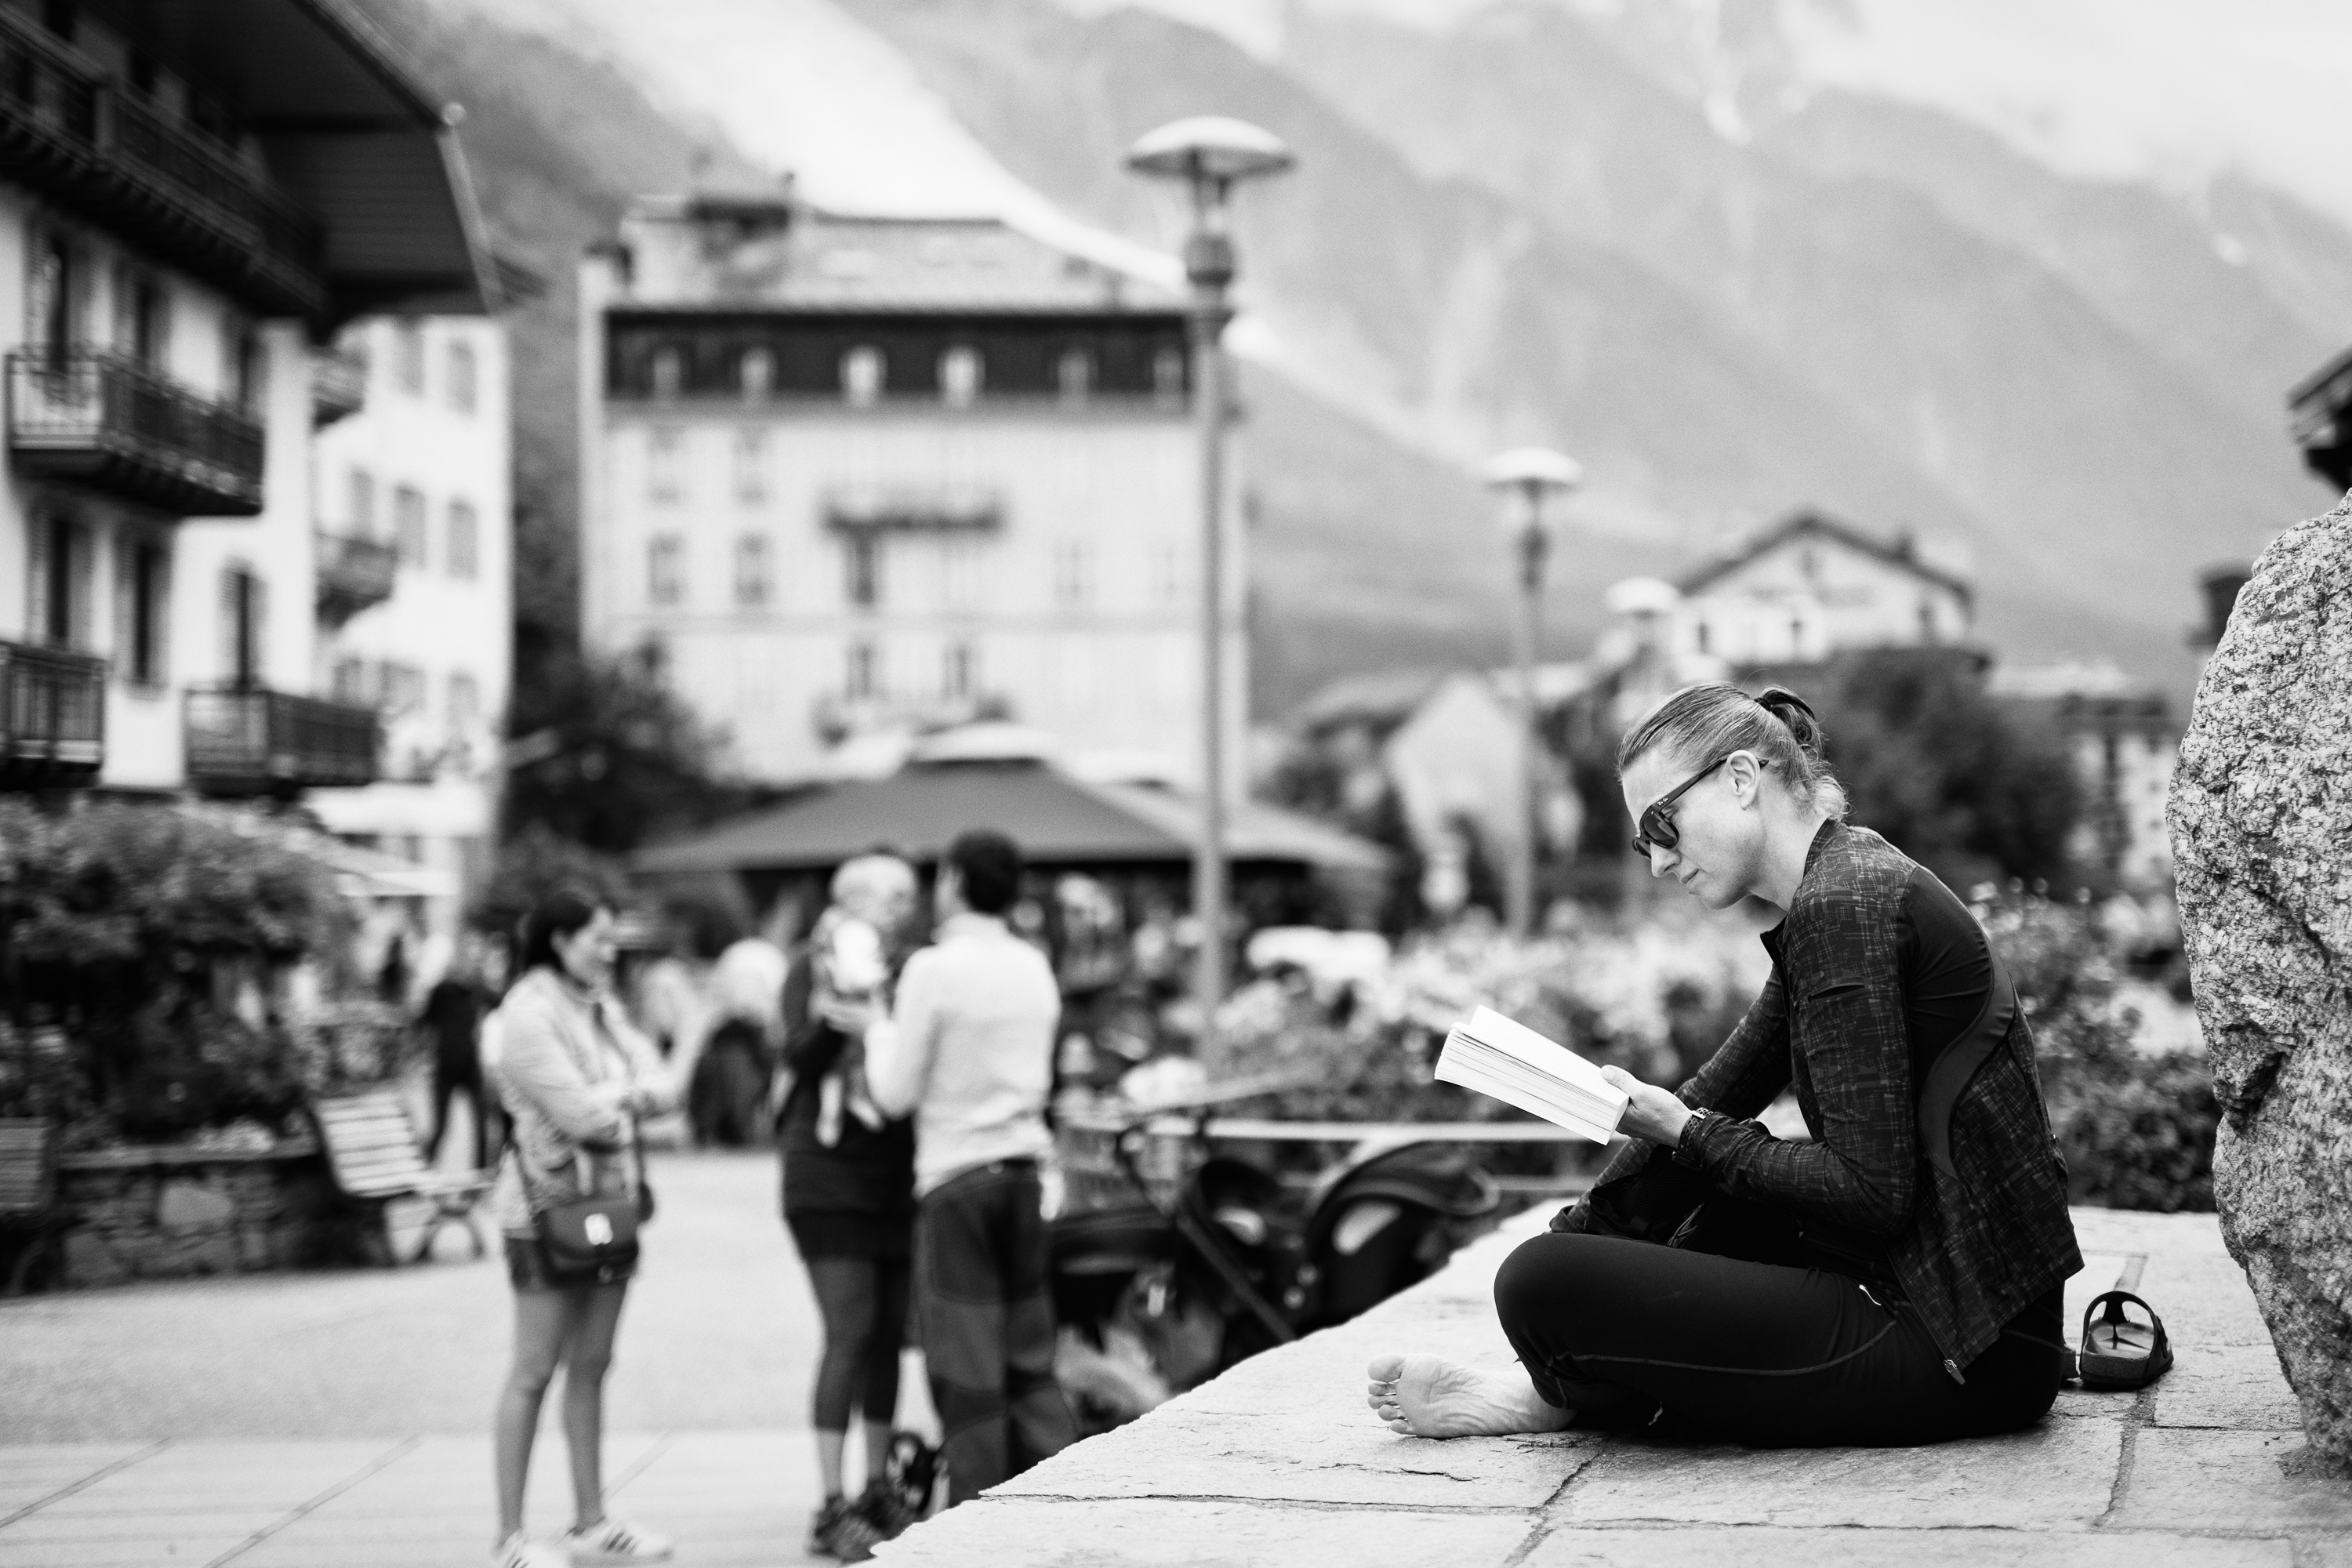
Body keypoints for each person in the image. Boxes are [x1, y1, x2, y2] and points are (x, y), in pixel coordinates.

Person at [1367, 683, 2083, 1449]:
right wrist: (1594, 1224)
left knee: (1538, 1280)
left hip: (1958, 1345)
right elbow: (1714, 1093)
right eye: (1647, 843)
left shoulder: (1847, 905)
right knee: (1647, 1216)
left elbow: (1871, 1189)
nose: (1659, 861)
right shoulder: (1843, 881)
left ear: (1741, 780)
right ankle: (1562, 1379)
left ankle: (1565, 1389)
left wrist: (1680, 1140)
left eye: (1662, 825)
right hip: (1938, 1298)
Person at [865, 830, 1076, 1505]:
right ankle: (1063, 1499)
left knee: (967, 1367)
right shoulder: (1033, 964)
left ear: (952, 879)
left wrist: (873, 1028)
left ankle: (978, 1529)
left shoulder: (934, 967)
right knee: (1030, 1359)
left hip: (956, 1177)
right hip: (1025, 1175)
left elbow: (894, 1093)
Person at [486, 891, 678, 1568]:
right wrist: (626, 1096)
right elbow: (584, 1121)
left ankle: (591, 1520)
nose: (610, 950)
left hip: (608, 1207)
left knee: (593, 1364)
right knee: (535, 1370)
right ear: (559, 941)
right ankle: (510, 1538)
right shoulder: (525, 1018)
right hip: (541, 1212)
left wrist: (617, 1096)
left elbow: (667, 1083)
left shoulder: (602, 1008)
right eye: (599, 938)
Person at [779, 855, 922, 1561]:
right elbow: (797, 1062)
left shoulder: (915, 974)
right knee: (851, 1332)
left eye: (910, 894)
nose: (906, 905)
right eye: (893, 895)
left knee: (889, 1336)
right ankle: (830, 1504)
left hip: (898, 1179)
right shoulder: (810, 966)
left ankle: (876, 1488)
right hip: (828, 1177)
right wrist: (844, 1024)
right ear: (852, 900)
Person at [423, 931, 507, 1170]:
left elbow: (504, 1002)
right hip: (446, 1065)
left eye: (475, 959)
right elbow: (424, 1022)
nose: (471, 963)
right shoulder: (441, 992)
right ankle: (424, 1170)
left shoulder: (478, 991)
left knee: (482, 1126)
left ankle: (480, 1177)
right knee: (441, 1127)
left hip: (471, 1066)